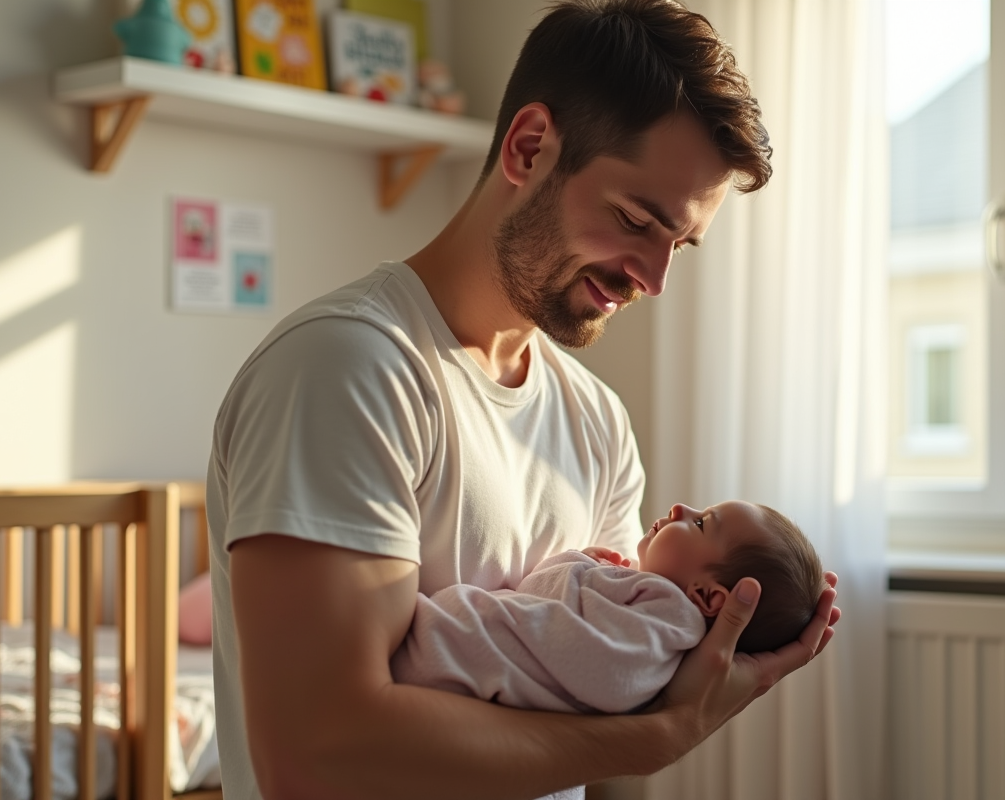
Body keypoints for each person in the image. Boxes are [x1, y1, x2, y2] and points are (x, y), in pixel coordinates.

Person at [206, 1, 842, 799]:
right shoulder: (347, 371)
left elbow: (605, 691)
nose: (654, 279)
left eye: (678, 244)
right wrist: (655, 741)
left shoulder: (598, 424)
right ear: (530, 147)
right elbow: (317, 756)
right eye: (635, 220)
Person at [392, 501, 826, 714]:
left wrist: (577, 566)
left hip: (447, 658)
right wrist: (592, 570)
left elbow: (604, 670)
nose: (681, 507)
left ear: (707, 597)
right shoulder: (649, 609)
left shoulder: (669, 618)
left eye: (699, 523)